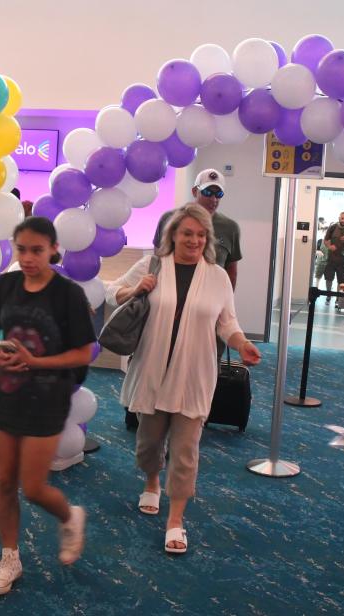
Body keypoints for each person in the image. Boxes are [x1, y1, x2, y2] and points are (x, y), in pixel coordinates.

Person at [108, 203, 261, 554]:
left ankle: (175, 520)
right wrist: (135, 291)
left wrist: (242, 343)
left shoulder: (218, 276)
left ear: (207, 239)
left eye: (200, 234)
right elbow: (111, 290)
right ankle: (151, 480)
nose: (194, 240)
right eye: (187, 233)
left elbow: (227, 322)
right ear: (173, 234)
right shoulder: (152, 265)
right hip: (153, 370)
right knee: (149, 442)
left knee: (186, 450)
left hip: (194, 374)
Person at [0, 217, 97, 595]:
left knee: (32, 487)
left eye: (37, 250)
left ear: (53, 250)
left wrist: (36, 362)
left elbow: (82, 352)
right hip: (5, 392)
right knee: (6, 482)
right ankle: (9, 558)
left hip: (47, 399)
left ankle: (69, 516)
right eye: (22, 250)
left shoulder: (68, 295)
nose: (28, 258)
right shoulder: (5, 285)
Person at [322, 212, 344, 304]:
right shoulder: (332, 227)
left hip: (343, 260)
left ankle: (338, 299)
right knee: (328, 278)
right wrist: (329, 246)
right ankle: (328, 295)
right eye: (342, 218)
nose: (343, 220)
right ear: (339, 218)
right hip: (331, 258)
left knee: (342, 281)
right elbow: (325, 240)